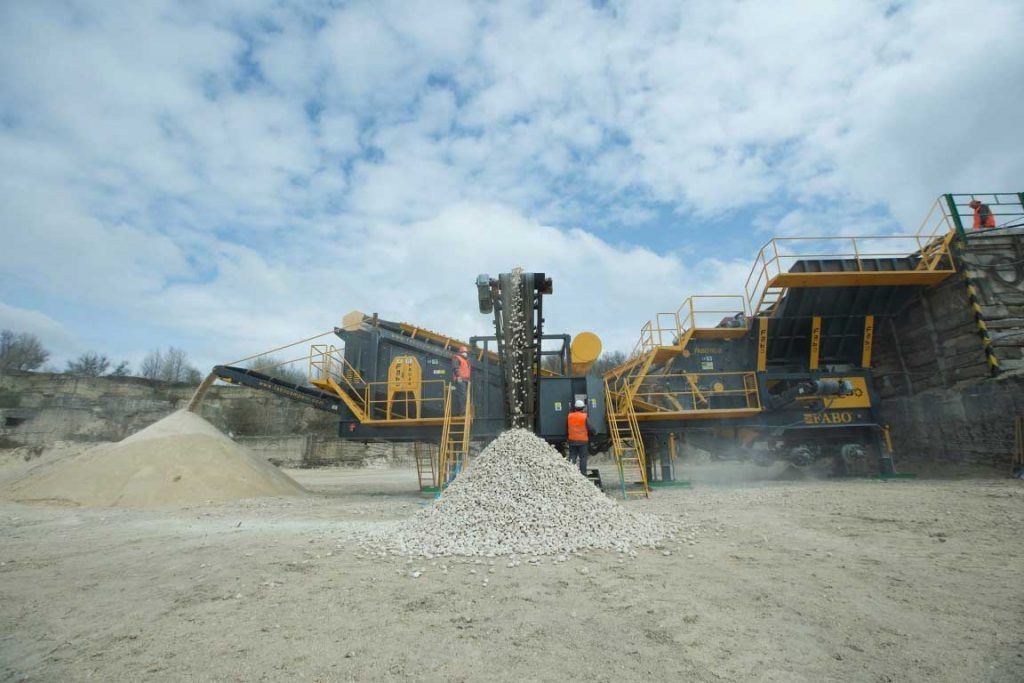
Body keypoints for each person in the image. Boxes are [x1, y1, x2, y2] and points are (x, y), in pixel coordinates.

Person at [566, 399, 594, 476]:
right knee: (583, 458)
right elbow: (590, 427)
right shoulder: (584, 416)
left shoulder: (570, 416)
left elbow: (566, 427)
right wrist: (595, 432)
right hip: (583, 441)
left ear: (575, 407)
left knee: (572, 456)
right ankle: (583, 474)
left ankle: (571, 473)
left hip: (572, 440)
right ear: (583, 408)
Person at [451, 345, 471, 415]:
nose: (465, 354)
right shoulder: (457, 358)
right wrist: (458, 377)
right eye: (464, 352)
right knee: (463, 395)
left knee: (465, 395)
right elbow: (455, 368)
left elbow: (467, 371)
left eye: (466, 352)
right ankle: (462, 410)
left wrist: (468, 380)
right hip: (460, 379)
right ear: (460, 352)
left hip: (465, 380)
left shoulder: (466, 361)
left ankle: (464, 409)